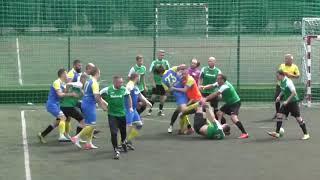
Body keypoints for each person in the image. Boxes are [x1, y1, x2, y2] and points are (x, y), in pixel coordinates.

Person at [71, 67, 107, 150]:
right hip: (89, 105)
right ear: (97, 73)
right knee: (92, 125)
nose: (100, 75)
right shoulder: (94, 83)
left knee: (89, 125)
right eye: (99, 73)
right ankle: (76, 137)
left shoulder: (89, 81)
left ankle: (88, 143)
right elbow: (97, 97)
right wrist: (103, 106)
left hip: (85, 103)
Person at [37, 68, 78, 143]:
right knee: (63, 117)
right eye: (66, 73)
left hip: (57, 104)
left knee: (62, 120)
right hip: (52, 104)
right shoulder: (57, 82)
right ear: (62, 74)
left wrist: (69, 87)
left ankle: (42, 134)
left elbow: (63, 94)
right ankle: (62, 136)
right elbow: (60, 94)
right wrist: (71, 94)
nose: (67, 75)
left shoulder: (63, 83)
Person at [267, 70, 310, 140]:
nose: (277, 77)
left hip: (293, 102)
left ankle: (306, 134)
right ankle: (277, 133)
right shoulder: (281, 82)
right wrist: (279, 96)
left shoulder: (288, 82)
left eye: (277, 76)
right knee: (279, 115)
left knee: (298, 118)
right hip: (287, 103)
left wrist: (287, 101)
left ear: (282, 75)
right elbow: (283, 90)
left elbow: (294, 93)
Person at [204, 74, 249, 139]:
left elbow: (216, 94)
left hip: (235, 103)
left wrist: (206, 98)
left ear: (222, 80)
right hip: (229, 103)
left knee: (233, 118)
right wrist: (204, 87)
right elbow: (212, 85)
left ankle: (245, 133)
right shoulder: (219, 83)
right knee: (219, 113)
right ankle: (221, 128)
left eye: (218, 79)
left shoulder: (225, 86)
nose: (217, 80)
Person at [100, 76, 132, 160]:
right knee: (114, 133)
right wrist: (102, 106)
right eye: (119, 82)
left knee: (123, 132)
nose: (121, 84)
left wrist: (130, 107)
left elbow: (128, 96)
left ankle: (123, 143)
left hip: (122, 114)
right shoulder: (107, 89)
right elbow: (97, 96)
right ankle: (116, 149)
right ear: (114, 82)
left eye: (122, 82)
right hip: (112, 114)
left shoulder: (124, 89)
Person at [161, 65, 193, 134]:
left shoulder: (163, 80)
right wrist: (183, 71)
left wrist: (172, 87)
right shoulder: (171, 70)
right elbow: (183, 66)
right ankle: (188, 127)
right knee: (180, 111)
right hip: (185, 89)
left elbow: (168, 91)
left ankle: (181, 127)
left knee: (182, 111)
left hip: (179, 94)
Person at [124, 73, 152, 150]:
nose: (139, 79)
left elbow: (140, 96)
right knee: (128, 126)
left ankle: (128, 140)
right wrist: (128, 90)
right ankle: (122, 142)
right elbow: (127, 89)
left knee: (139, 125)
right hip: (128, 109)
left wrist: (147, 102)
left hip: (134, 110)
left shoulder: (136, 86)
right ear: (136, 77)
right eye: (139, 77)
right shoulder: (130, 84)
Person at [273, 54, 300, 119]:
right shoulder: (282, 65)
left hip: (288, 86)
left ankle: (286, 114)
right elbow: (280, 73)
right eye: (285, 59)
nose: (285, 60)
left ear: (291, 60)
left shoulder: (295, 67)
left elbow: (298, 76)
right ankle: (277, 112)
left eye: (287, 59)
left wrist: (290, 75)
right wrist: (283, 74)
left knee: (288, 99)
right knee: (277, 98)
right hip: (280, 85)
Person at [148, 50, 170, 116]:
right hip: (156, 83)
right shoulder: (154, 62)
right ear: (158, 54)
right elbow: (151, 72)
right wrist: (153, 82)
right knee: (153, 97)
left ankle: (160, 111)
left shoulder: (166, 62)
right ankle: (150, 109)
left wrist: (167, 82)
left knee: (162, 98)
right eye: (161, 54)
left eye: (163, 55)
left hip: (163, 83)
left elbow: (168, 72)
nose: (162, 56)